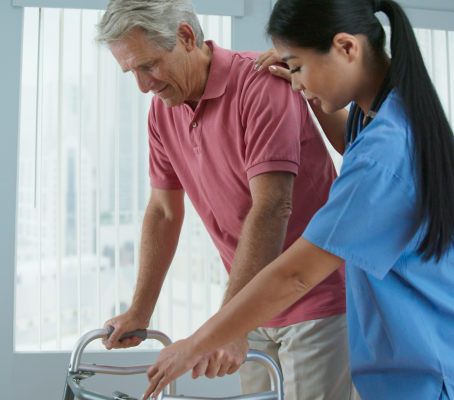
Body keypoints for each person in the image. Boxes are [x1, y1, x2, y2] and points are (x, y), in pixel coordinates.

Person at [142, 0, 454, 399]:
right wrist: (309, 87)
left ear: (347, 48)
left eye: (297, 66)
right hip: (441, 358)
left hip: (439, 371)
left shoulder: (385, 155)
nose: (294, 83)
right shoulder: (387, 117)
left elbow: (294, 275)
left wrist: (196, 344)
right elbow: (351, 140)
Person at [94, 1, 357, 399]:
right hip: (250, 299)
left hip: (313, 297)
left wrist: (229, 323)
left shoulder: (260, 83)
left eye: (149, 65)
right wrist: (140, 310)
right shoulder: (163, 112)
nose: (143, 85)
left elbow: (271, 207)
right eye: (132, 72)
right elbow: (164, 212)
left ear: (185, 36)